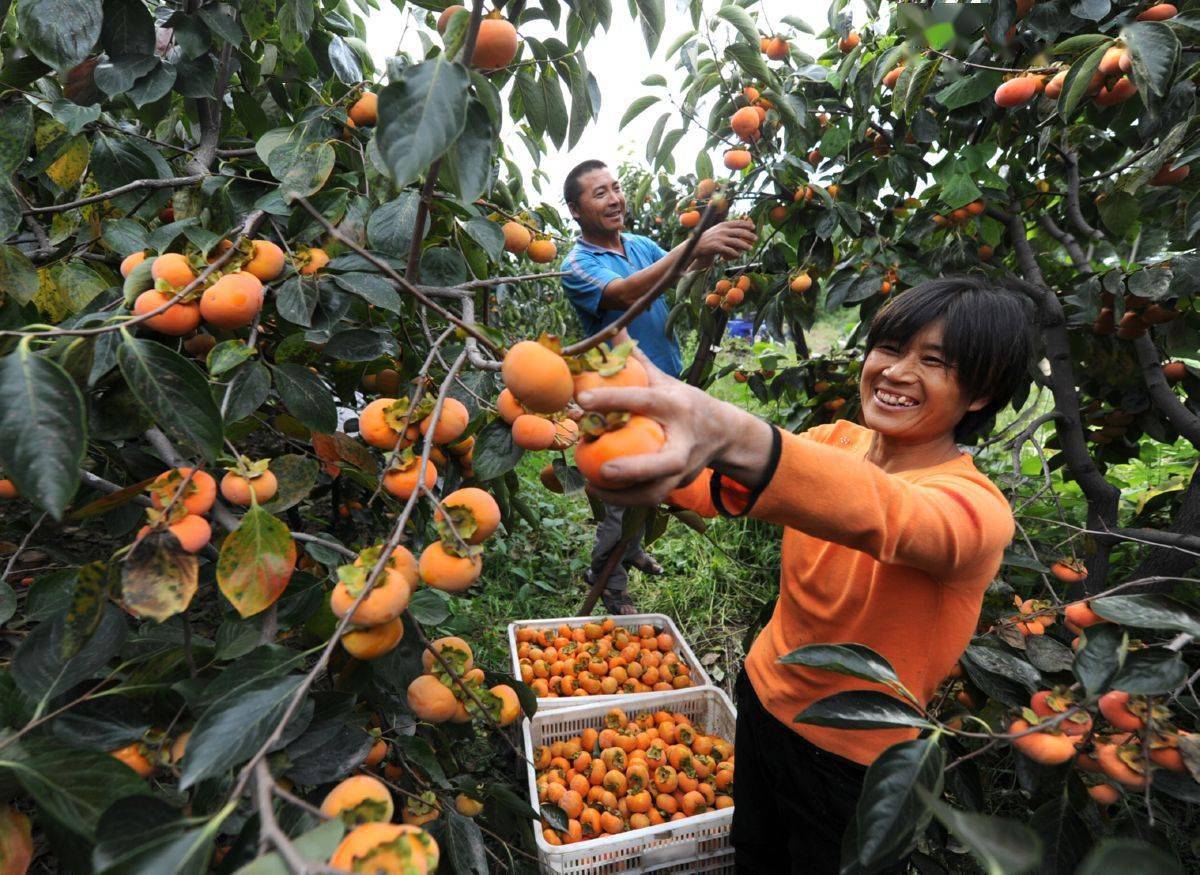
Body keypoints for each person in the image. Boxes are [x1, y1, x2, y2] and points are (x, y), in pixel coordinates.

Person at [574, 277, 1033, 873]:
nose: (896, 372)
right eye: (890, 349)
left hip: (853, 754)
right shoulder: (832, 443)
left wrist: (736, 434)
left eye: (934, 362)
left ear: (980, 393)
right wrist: (630, 450)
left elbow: (891, 516)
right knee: (755, 853)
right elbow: (722, 486)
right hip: (764, 698)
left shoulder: (975, 509)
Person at [560, 159, 756, 614]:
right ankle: (608, 581)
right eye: (600, 193)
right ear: (575, 209)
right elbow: (626, 293)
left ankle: (630, 551)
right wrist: (694, 244)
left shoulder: (641, 244)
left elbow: (681, 271)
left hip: (665, 383)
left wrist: (713, 242)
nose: (615, 199)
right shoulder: (578, 265)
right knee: (619, 495)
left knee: (658, 476)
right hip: (620, 393)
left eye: (616, 188)